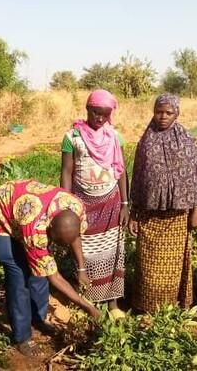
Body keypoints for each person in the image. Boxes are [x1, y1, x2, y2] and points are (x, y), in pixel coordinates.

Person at [0, 179, 101, 356]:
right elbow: (54, 277)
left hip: (22, 207)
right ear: (50, 227)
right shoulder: (36, 231)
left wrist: (82, 269)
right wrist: (88, 306)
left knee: (38, 272)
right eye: (57, 242)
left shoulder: (74, 206)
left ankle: (38, 318)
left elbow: (74, 235)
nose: (59, 247)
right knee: (18, 273)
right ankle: (21, 336)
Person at [129, 93, 197, 313]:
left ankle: (172, 308)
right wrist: (134, 213)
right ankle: (146, 309)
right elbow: (137, 178)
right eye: (158, 112)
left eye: (168, 112)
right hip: (149, 216)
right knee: (147, 267)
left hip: (178, 218)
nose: (163, 116)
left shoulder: (188, 140)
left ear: (177, 114)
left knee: (174, 268)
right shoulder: (145, 142)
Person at [60, 89, 128, 319]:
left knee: (112, 252)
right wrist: (67, 203)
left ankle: (113, 303)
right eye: (95, 112)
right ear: (87, 109)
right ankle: (88, 301)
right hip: (83, 204)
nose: (99, 118)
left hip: (111, 202)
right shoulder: (73, 137)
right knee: (85, 253)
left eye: (105, 114)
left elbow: (121, 172)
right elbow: (67, 172)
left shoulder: (114, 137)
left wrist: (125, 203)